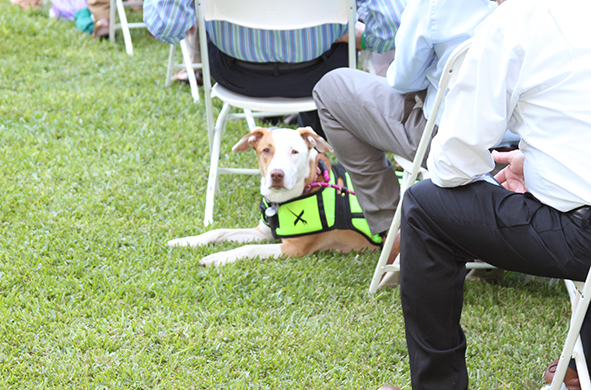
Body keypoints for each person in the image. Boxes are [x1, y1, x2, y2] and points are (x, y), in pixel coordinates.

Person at [382, 0, 591, 389]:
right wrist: (536, 167)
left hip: (582, 235)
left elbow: (454, 160)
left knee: (425, 207)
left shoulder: (518, 19)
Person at [313, 0, 496, 238]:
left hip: (452, 144)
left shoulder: (436, 5)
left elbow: (404, 80)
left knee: (332, 89)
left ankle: (394, 230)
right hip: (530, 146)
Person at [143, 0, 406, 139]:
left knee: (206, 36)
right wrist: (351, 36)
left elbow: (166, 27)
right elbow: (392, 24)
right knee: (339, 45)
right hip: (319, 74)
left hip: (237, 75)